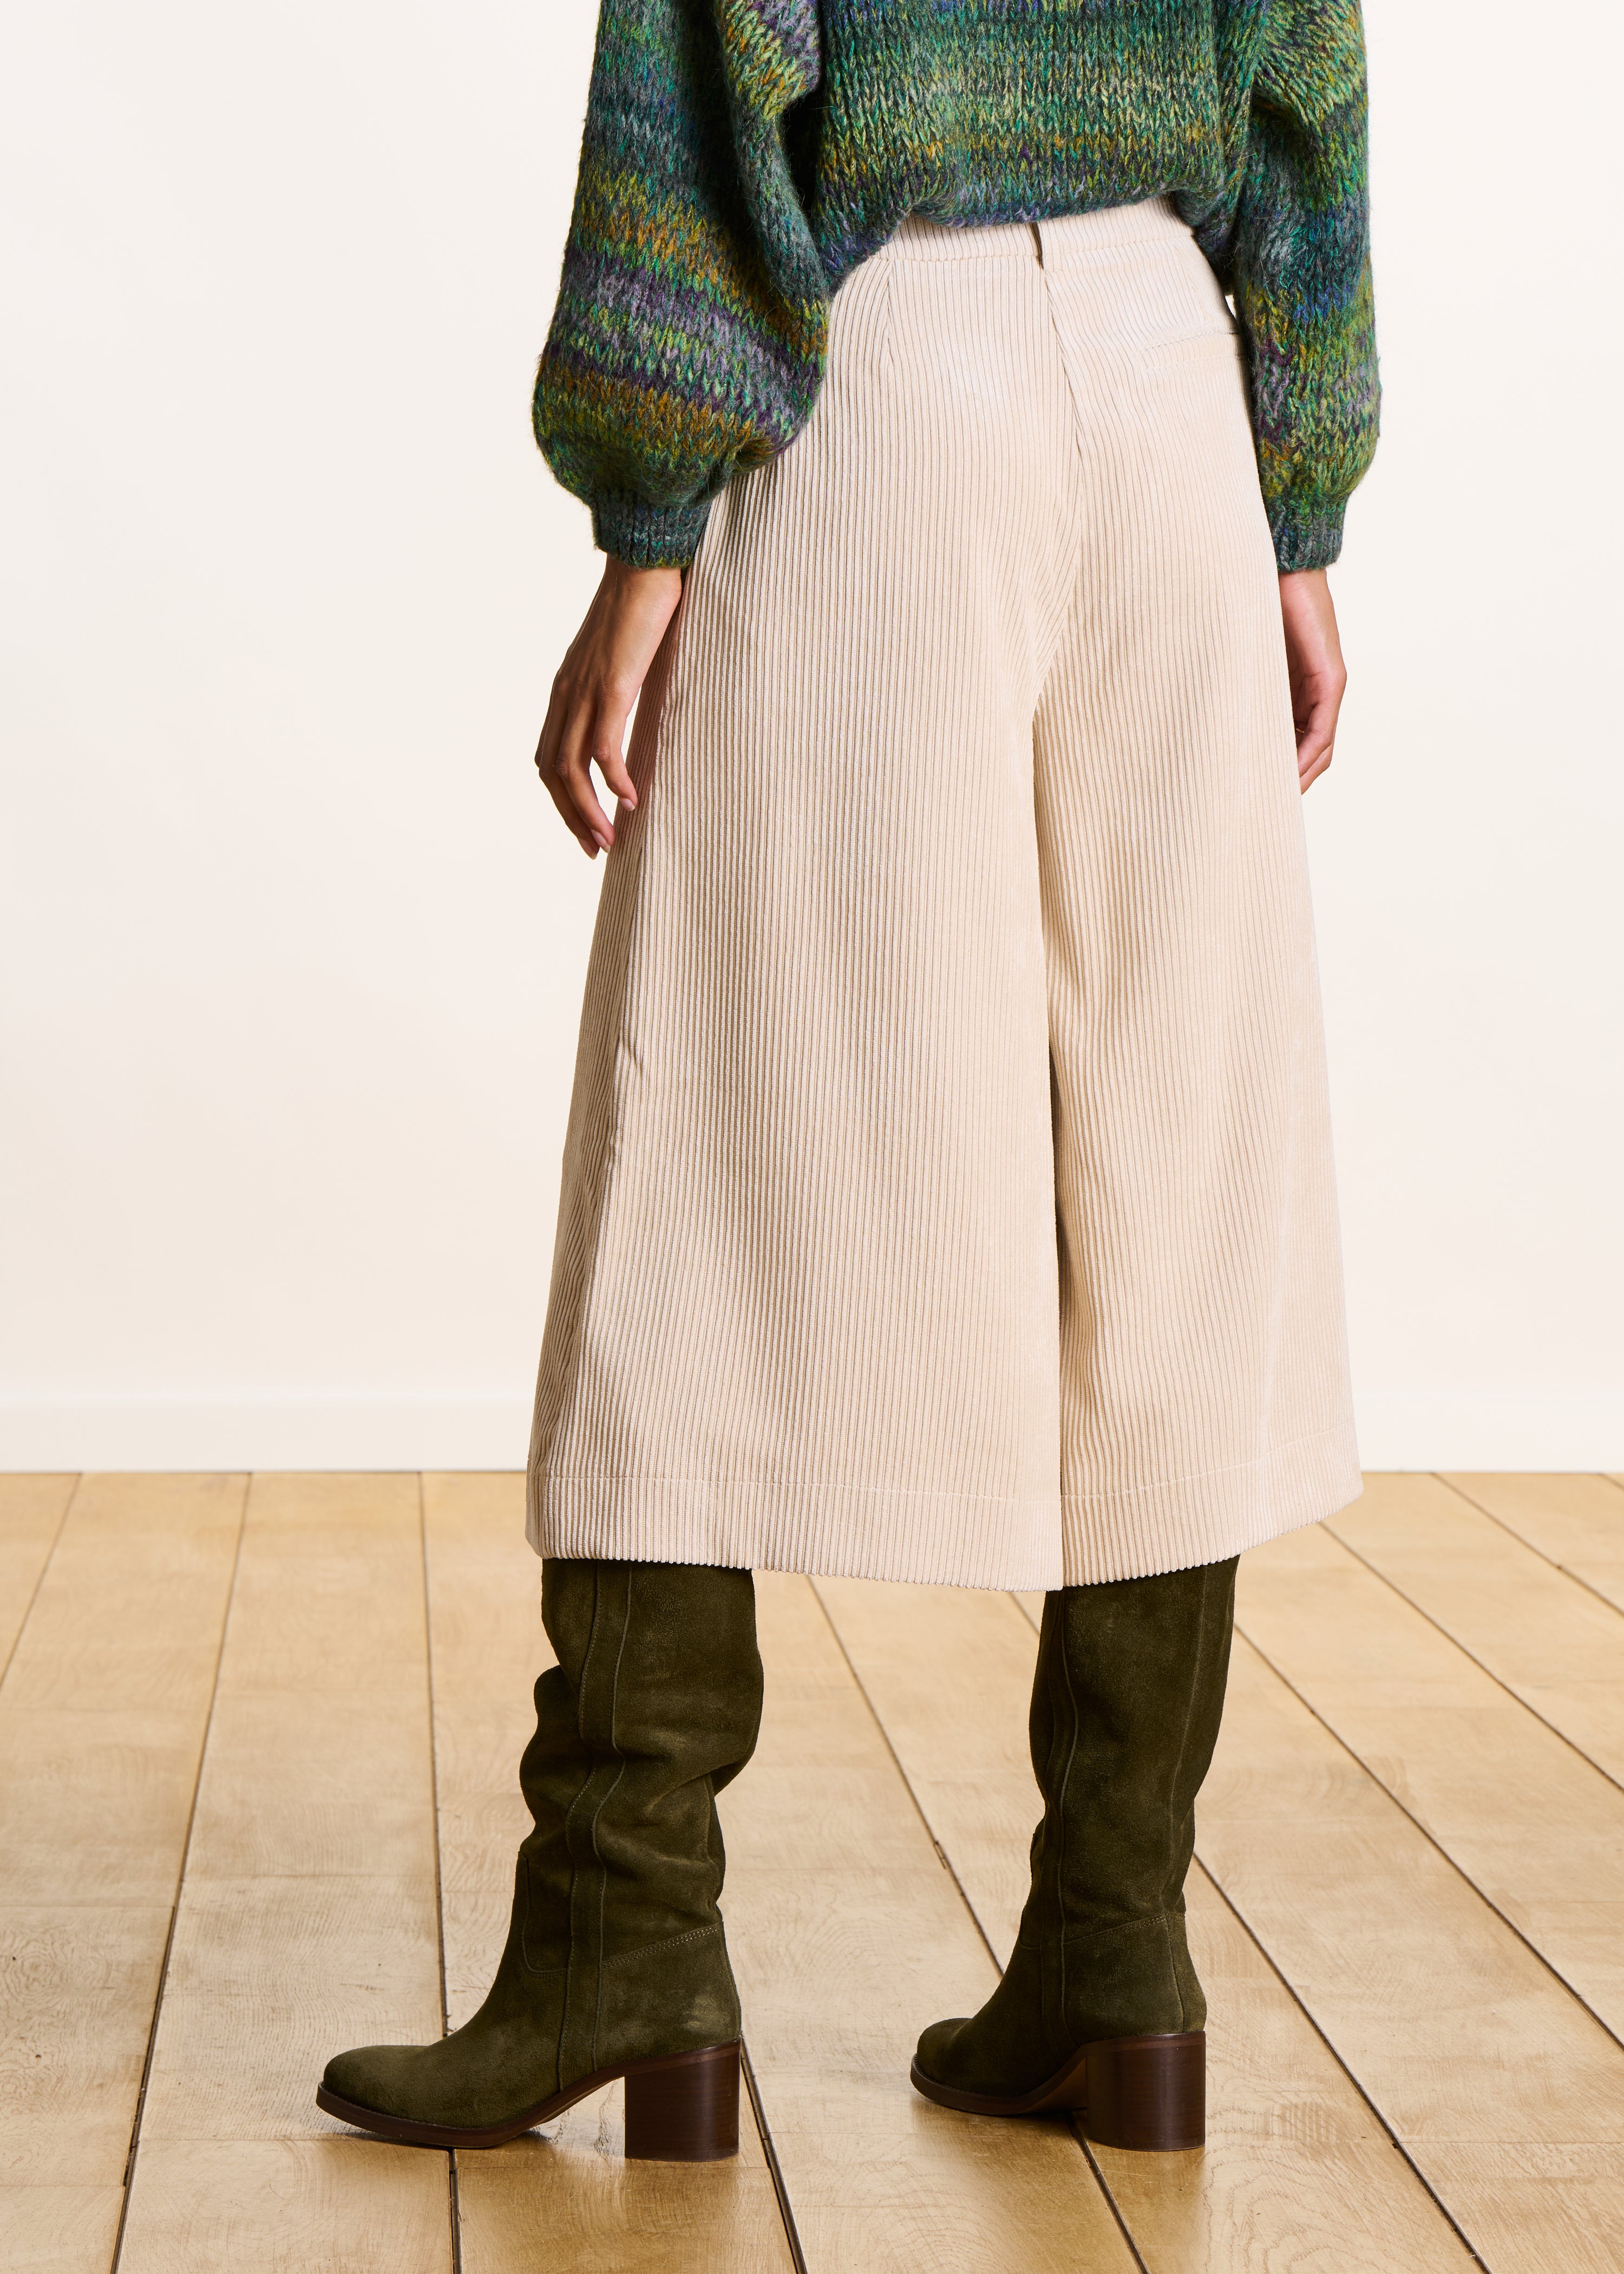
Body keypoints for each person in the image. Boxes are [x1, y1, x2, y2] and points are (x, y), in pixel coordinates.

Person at [318, 0, 1377, 2162]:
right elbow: (1308, 69)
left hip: (884, 375)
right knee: (1164, 1165)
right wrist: (1293, 502)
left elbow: (708, 67)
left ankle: (625, 1927)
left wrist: (646, 529)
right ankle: (1117, 1945)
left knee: (708, 1143)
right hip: (1169, 380)